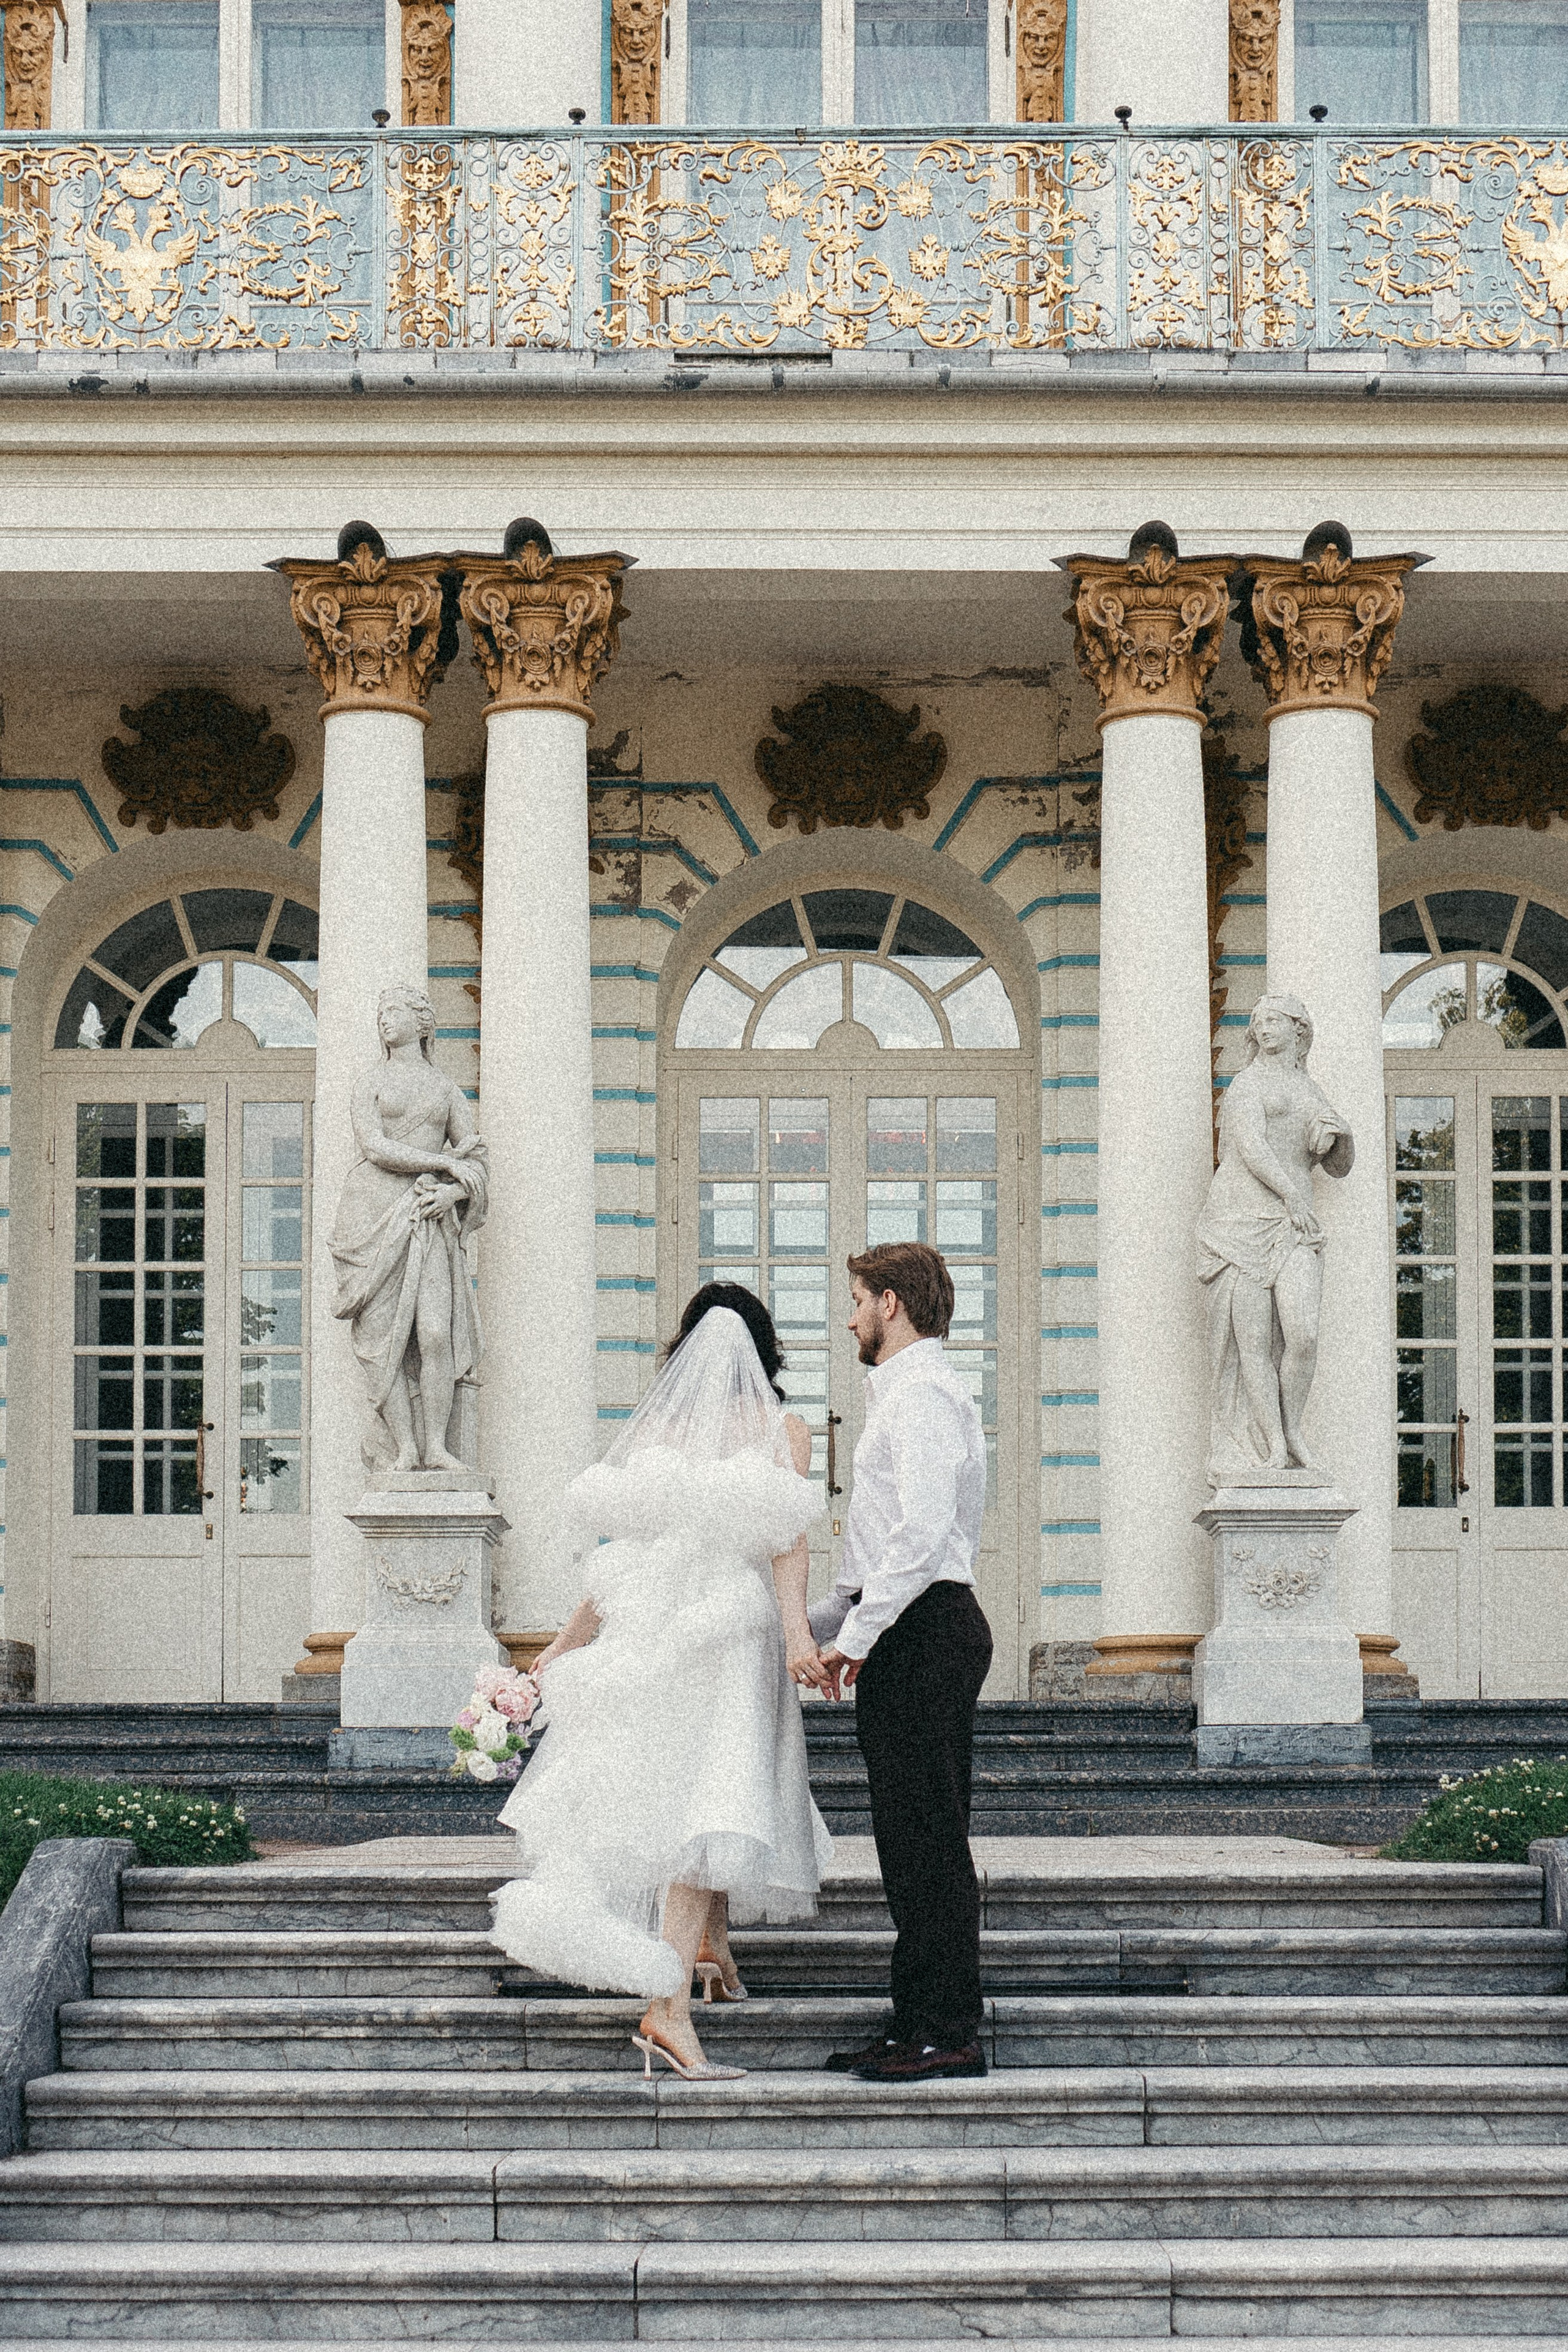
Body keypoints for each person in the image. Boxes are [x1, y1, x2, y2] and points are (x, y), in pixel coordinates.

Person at [488, 1284, 831, 2081]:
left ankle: (709, 1951)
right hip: (730, 1647)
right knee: (710, 1808)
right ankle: (667, 2010)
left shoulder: (663, 1430)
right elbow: (787, 1545)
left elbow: (617, 1554)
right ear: (766, 1347)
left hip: (655, 1640)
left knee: (688, 1800)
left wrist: (566, 1643)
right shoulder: (784, 1430)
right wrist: (797, 1637)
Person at [811, 1241, 992, 2084]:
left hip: (924, 1630)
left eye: (856, 1299)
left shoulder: (920, 1394)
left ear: (891, 1302)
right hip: (912, 1628)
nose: (849, 1316)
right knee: (908, 1843)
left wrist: (853, 1640)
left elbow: (921, 1537)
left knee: (927, 1843)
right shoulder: (907, 1395)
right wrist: (812, 1625)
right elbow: (875, 1558)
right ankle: (915, 2018)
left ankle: (948, 2031)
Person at [330, 983, 488, 1474]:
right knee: (383, 1344)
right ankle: (405, 1450)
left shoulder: (444, 1089)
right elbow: (374, 1147)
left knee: (435, 1334)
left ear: (422, 1022)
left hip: (427, 1215)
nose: (385, 1019)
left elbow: (477, 1158)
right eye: (381, 1011)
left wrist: (453, 1193)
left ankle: (437, 1447)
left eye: (394, 1010)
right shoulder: (369, 1081)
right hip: (371, 1213)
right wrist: (443, 1163)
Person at [1196, 992, 1352, 1480]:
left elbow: (1339, 1168)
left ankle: (1294, 1429)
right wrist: (1293, 1197)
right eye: (1257, 1021)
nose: (1263, 1029)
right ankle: (1273, 1448)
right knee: (1253, 1346)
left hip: (1292, 1222)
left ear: (1299, 1030)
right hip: (1240, 1221)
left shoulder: (1311, 1091)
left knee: (1303, 1334)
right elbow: (1252, 1149)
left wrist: (1342, 1135)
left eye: (1273, 1021)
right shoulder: (1248, 1083)